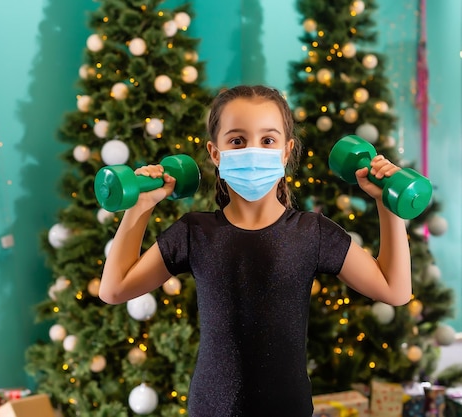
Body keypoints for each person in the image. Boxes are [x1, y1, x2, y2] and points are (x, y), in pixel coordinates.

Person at [99, 85, 411, 416]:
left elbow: (395, 289)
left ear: (286, 151)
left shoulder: (312, 233)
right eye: (237, 140)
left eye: (267, 140)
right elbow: (114, 289)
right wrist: (141, 205)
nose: (253, 151)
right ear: (215, 152)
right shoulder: (194, 232)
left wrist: (387, 203)